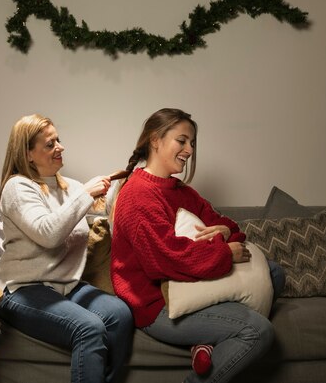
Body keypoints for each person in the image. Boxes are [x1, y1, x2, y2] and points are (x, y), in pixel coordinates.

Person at [110, 108, 285, 383]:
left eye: (192, 143)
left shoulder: (182, 192)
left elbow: (233, 230)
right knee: (258, 331)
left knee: (273, 274)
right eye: (182, 141)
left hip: (189, 284)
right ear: (155, 140)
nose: (189, 150)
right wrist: (223, 252)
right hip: (158, 304)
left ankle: (207, 343)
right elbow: (164, 261)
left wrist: (226, 230)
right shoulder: (137, 194)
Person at [0, 114, 133, 383]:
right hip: (22, 289)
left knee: (120, 315)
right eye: (49, 144)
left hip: (67, 286)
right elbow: (49, 234)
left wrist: (123, 186)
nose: (60, 147)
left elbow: (114, 216)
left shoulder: (72, 187)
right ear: (28, 154)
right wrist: (85, 194)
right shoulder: (17, 187)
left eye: (59, 140)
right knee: (89, 328)